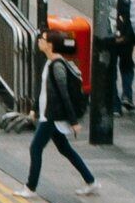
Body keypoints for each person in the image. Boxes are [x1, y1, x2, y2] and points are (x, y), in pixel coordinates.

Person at [27, 29, 98, 194]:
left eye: (43, 39)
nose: (39, 40)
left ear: (50, 45)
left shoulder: (57, 66)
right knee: (65, 149)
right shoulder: (49, 62)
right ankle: (91, 181)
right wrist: (35, 109)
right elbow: (43, 90)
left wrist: (73, 122)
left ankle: (30, 187)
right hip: (48, 114)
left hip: (52, 116)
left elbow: (64, 95)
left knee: (35, 148)